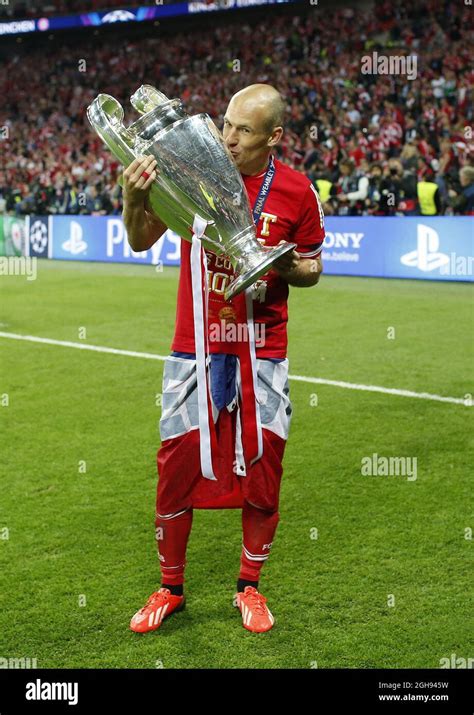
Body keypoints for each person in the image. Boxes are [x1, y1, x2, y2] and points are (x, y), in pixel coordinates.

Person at [123, 84, 325, 634]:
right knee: (176, 465)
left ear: (274, 137)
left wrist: (274, 265)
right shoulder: (191, 171)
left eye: (243, 130)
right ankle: (170, 587)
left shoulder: (295, 190)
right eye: (225, 125)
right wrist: (133, 198)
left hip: (263, 350)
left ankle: (250, 588)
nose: (228, 138)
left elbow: (311, 267)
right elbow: (141, 240)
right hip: (194, 346)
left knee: (264, 468)